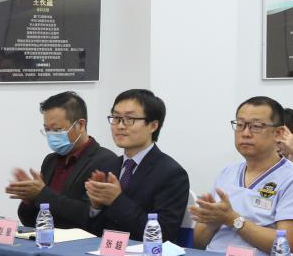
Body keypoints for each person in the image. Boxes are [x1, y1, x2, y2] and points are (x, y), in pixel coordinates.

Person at [191, 97, 293, 255]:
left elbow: (285, 245)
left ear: (278, 133)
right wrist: (213, 222)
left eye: (256, 127)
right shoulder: (227, 173)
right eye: (240, 125)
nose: (245, 133)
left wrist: (232, 219)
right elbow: (199, 243)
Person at [81, 89, 190, 241]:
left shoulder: (172, 174)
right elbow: (92, 232)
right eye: (116, 118)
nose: (120, 126)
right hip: (104, 251)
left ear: (153, 125)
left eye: (129, 119)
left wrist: (116, 200)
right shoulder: (107, 167)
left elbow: (163, 234)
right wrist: (96, 207)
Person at [10, 91, 120, 231]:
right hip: (46, 238)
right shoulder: (50, 161)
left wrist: (41, 194)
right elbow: (31, 222)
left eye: (57, 130)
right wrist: (29, 200)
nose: (51, 135)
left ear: (80, 125)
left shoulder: (105, 161)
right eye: (47, 130)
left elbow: (89, 216)